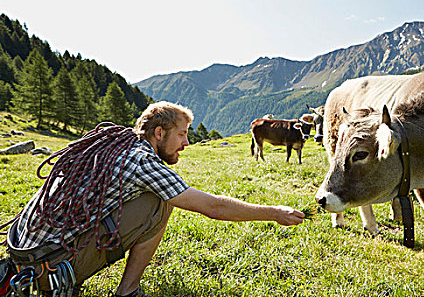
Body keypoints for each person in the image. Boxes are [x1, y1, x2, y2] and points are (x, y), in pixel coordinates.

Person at [6, 101, 304, 297]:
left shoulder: (116, 142)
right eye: (182, 135)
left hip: (24, 253)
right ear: (159, 133)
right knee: (163, 202)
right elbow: (212, 207)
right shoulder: (143, 162)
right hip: (50, 268)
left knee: (160, 196)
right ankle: (127, 291)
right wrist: (274, 212)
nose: (187, 143)